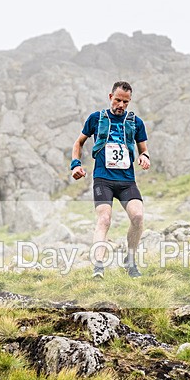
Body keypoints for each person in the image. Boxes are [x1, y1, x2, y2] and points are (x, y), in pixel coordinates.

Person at [70, 81, 151, 278]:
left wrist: (144, 157)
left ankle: (130, 262)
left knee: (138, 217)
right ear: (110, 97)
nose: (121, 105)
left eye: (125, 102)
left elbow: (144, 149)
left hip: (126, 181)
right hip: (103, 179)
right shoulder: (96, 119)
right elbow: (78, 143)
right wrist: (75, 164)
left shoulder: (135, 122)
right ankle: (98, 266)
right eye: (117, 100)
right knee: (104, 219)